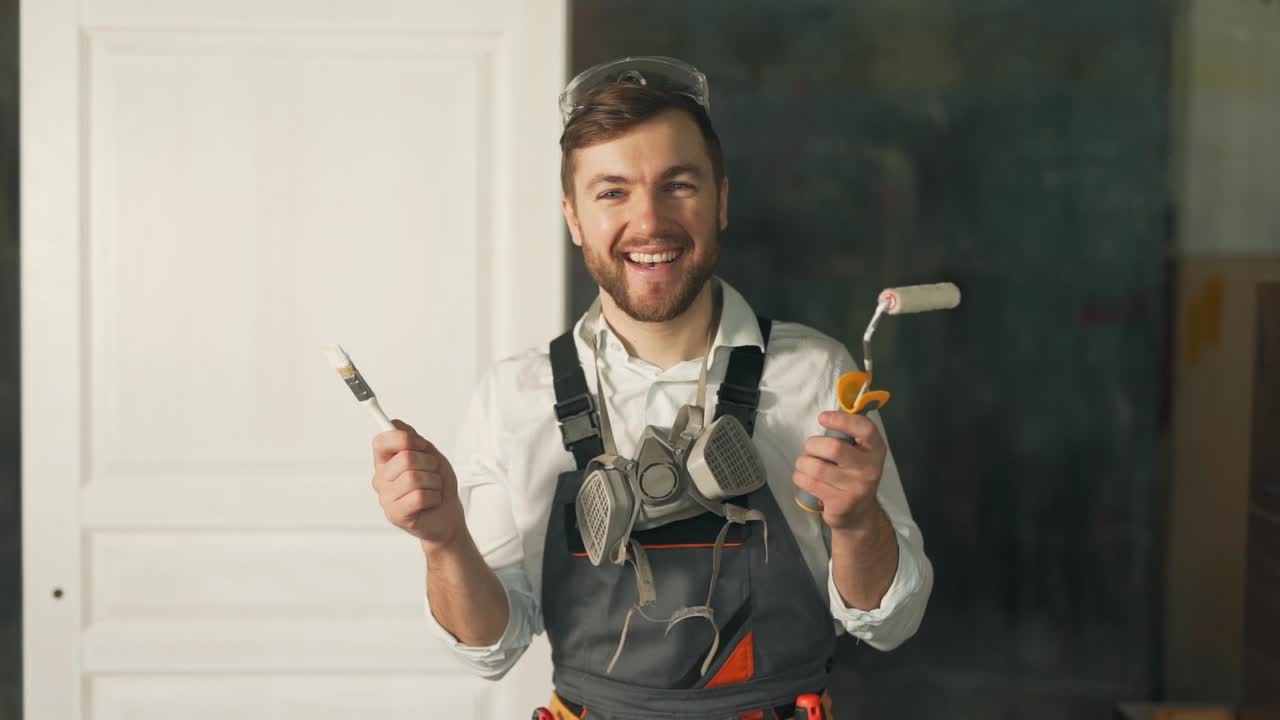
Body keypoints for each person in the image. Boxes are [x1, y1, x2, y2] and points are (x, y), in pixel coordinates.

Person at [369, 56, 932, 720]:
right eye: (612, 192)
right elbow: (489, 646)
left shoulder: (816, 374)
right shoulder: (515, 397)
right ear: (573, 217)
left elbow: (889, 623)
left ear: (721, 200)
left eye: (678, 185)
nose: (649, 221)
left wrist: (856, 521)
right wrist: (444, 542)